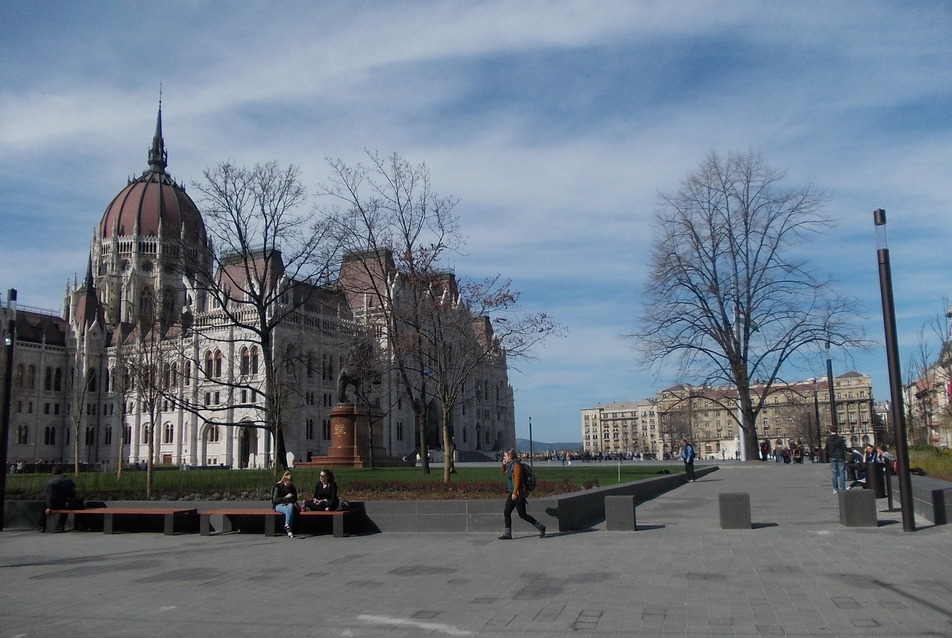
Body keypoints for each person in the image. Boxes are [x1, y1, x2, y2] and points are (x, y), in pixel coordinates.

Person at [498, 449, 545, 540]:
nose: (504, 457)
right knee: (506, 512)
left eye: (505, 455)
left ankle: (541, 527)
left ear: (510, 456)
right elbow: (504, 472)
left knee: (523, 515)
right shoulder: (510, 465)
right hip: (512, 493)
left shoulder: (516, 466)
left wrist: (515, 493)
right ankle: (508, 533)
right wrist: (503, 464)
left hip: (518, 494)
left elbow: (518, 481)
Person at [38, 465, 78, 533]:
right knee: (66, 507)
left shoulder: (50, 483)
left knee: (44, 506)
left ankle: (42, 526)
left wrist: (49, 507)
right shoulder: (68, 480)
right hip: (66, 504)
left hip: (54, 504)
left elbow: (50, 496)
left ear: (53, 473)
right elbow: (73, 493)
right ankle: (60, 525)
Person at [271, 470, 298, 537]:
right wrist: (285, 497)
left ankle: (287, 525)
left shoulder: (292, 488)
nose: (287, 484)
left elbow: (294, 499)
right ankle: (289, 530)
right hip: (278, 505)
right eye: (286, 482)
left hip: (288, 504)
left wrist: (290, 500)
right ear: (284, 480)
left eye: (289, 482)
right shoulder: (278, 487)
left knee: (290, 507)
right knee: (288, 510)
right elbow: (274, 500)